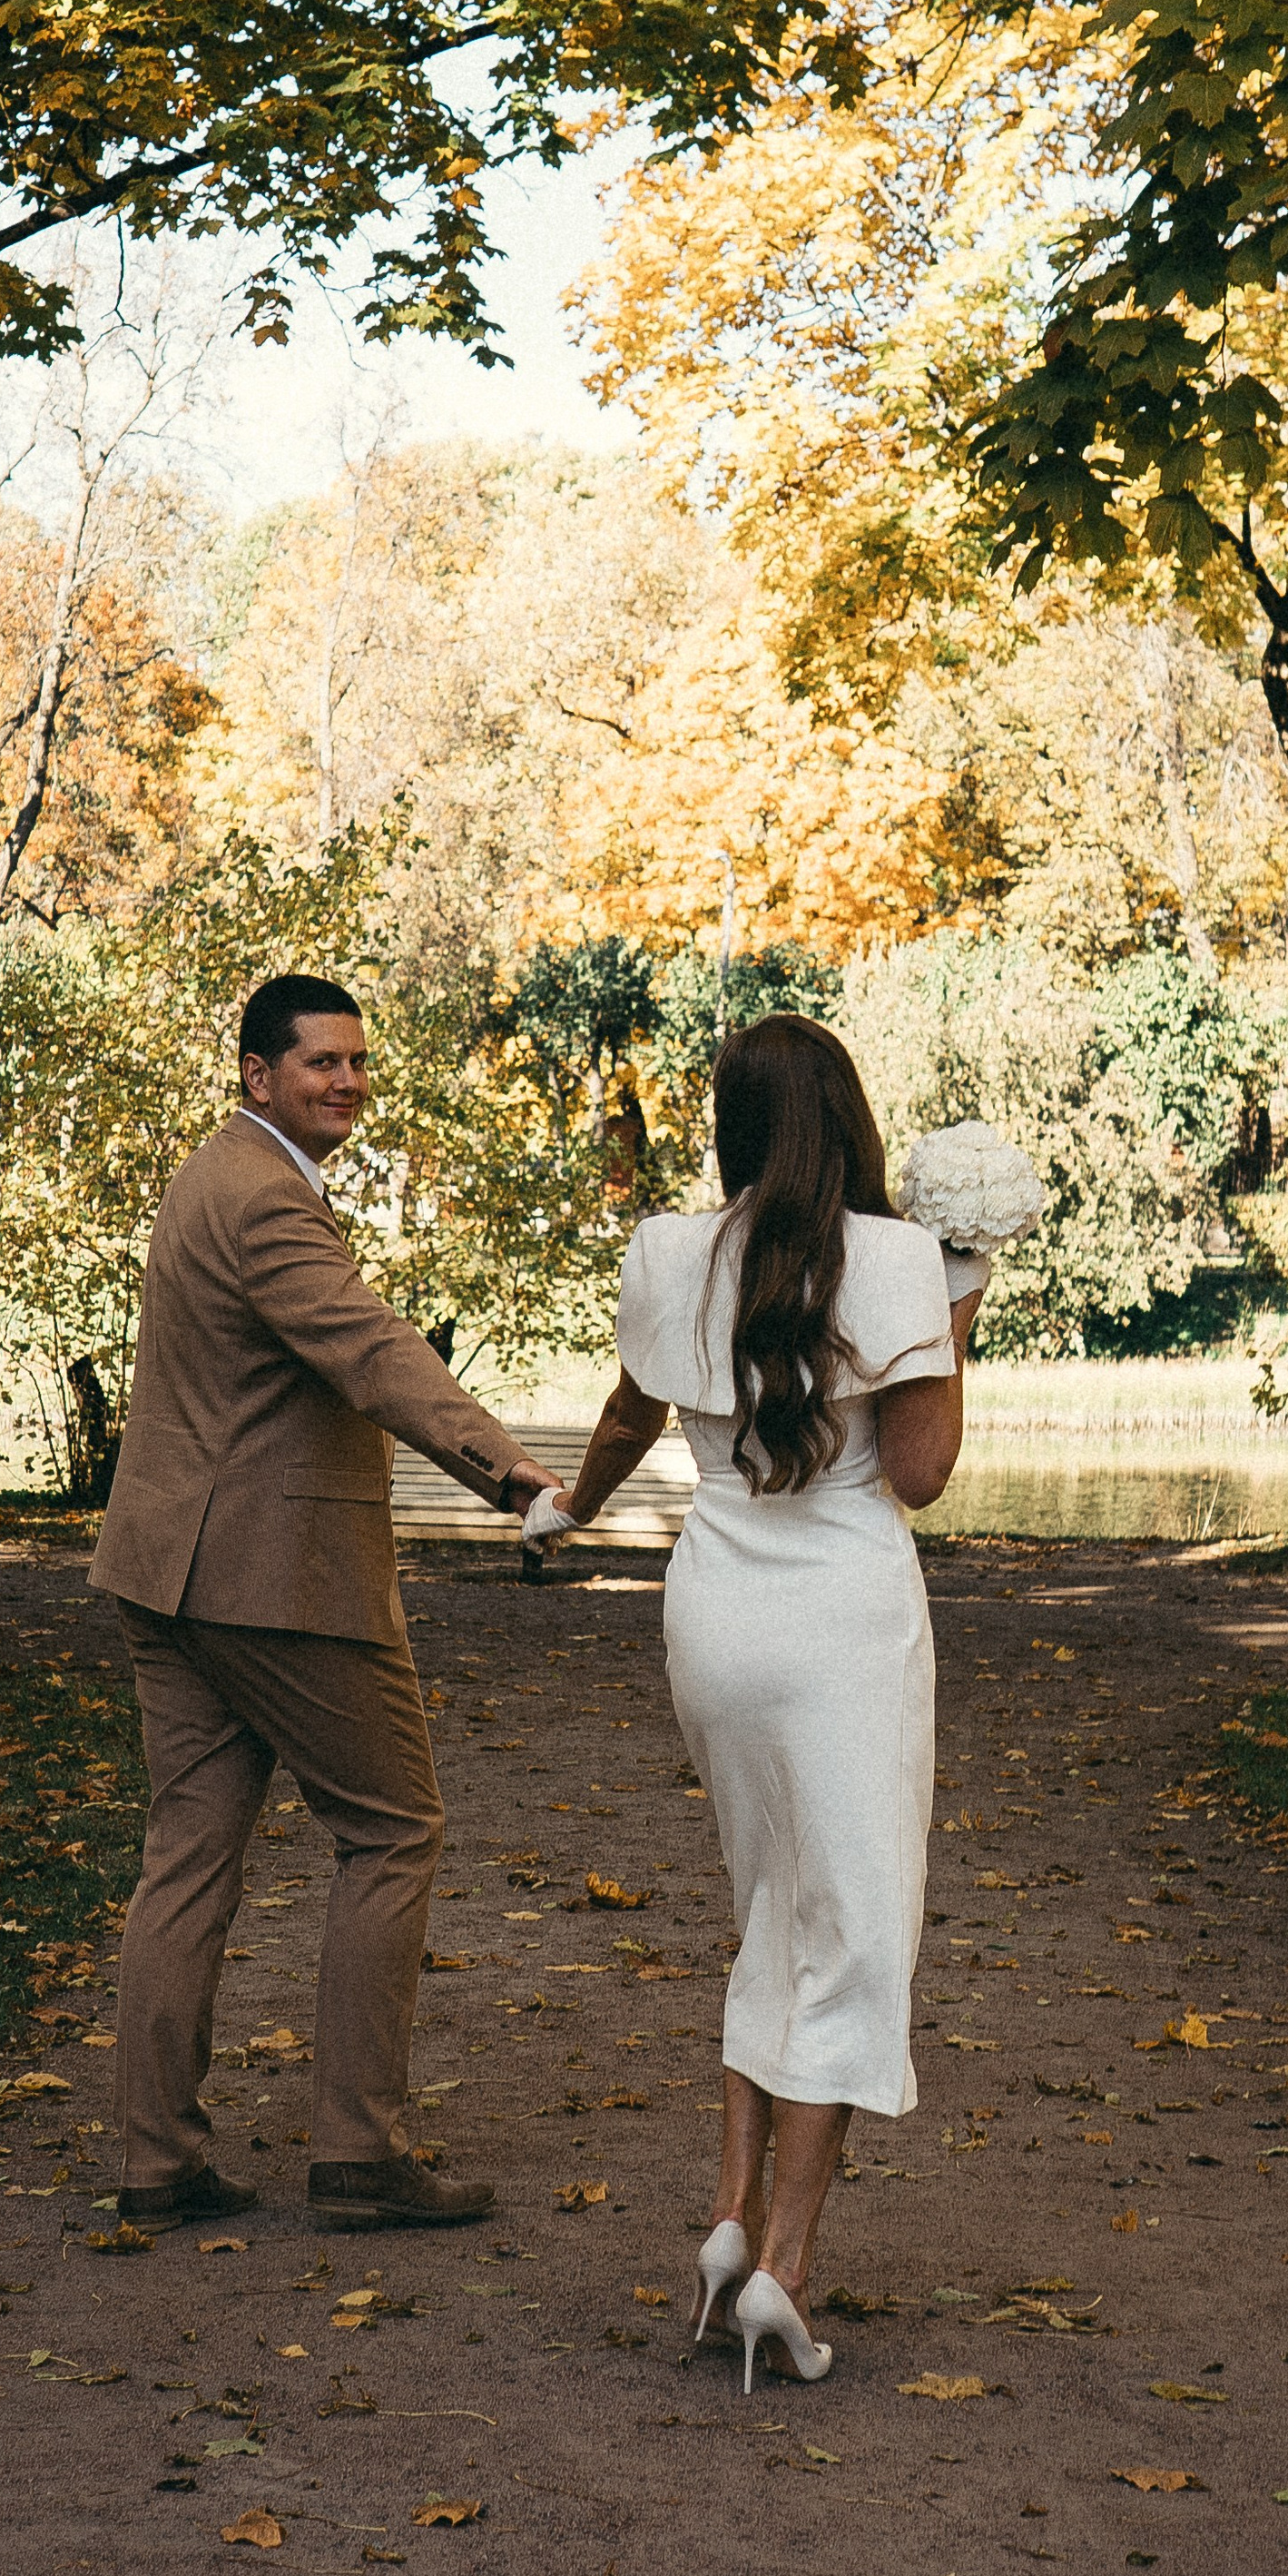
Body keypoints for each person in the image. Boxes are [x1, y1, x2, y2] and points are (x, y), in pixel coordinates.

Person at [526, 1015, 978, 2389]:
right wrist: (958, 1312)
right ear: (847, 1115)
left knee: (769, 1912)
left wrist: (565, 1510)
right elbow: (921, 1474)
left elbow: (626, 1414)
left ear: (732, 1123)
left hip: (715, 1600)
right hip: (842, 1610)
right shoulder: (894, 1258)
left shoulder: (673, 1249)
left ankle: (725, 2223)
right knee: (856, 1931)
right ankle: (784, 2264)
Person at [90, 972, 564, 2231]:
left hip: (169, 1569)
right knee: (394, 1829)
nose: (347, 1081)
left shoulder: (212, 1179)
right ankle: (360, 2150)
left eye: (358, 1062)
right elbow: (370, 1351)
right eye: (320, 1064)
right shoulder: (266, 1203)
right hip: (271, 1577)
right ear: (259, 1076)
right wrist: (507, 1469)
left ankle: (156, 2159)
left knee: (188, 1857)